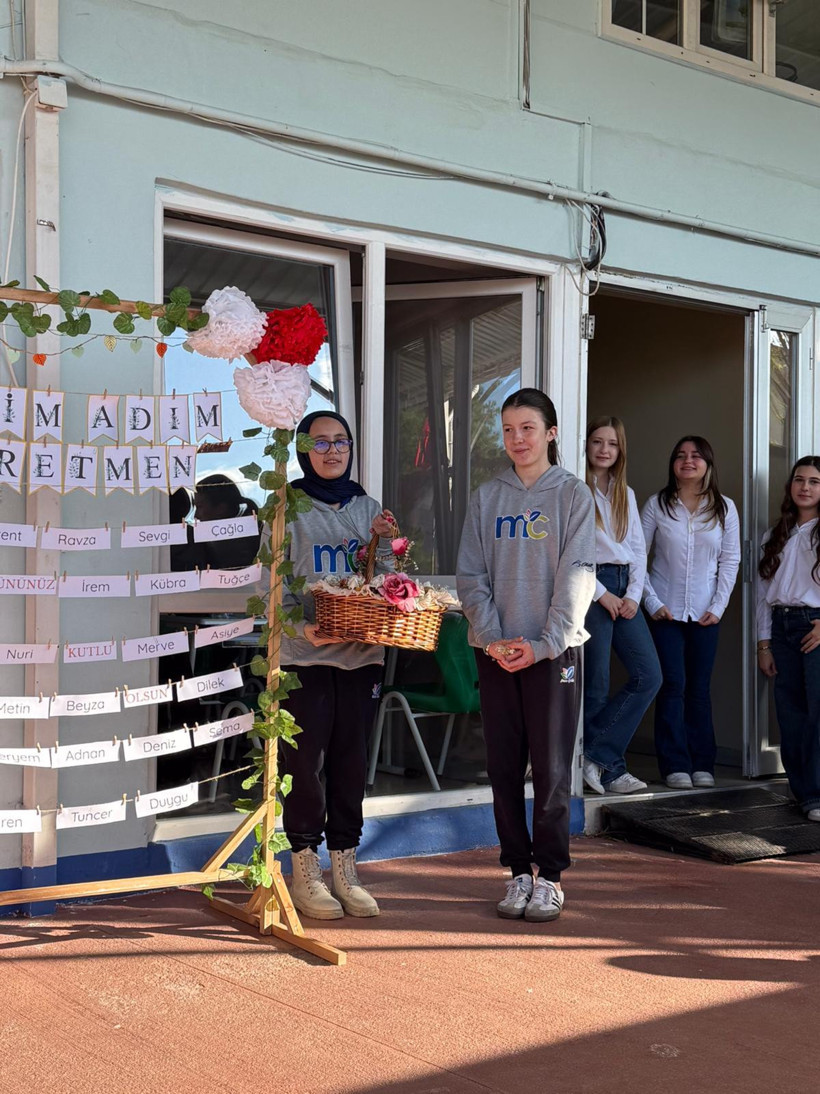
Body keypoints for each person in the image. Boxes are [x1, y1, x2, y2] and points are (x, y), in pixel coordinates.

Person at [457, 388, 595, 923]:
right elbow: (471, 576)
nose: (518, 439)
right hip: (496, 652)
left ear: (551, 434)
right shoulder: (487, 497)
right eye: (509, 429)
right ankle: (517, 872)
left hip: (553, 654)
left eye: (529, 428)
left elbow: (578, 575)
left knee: (554, 769)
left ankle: (551, 877)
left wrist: (542, 644)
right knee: (503, 766)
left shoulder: (573, 495)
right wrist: (493, 639)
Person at [279, 410, 396, 920]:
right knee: (303, 764)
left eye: (341, 442)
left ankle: (345, 866)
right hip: (306, 655)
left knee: (351, 764)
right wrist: (301, 627)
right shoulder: (286, 504)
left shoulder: (370, 507)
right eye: (320, 442)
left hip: (361, 656)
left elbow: (389, 580)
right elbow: (268, 585)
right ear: (304, 449)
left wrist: (383, 545)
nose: (332, 451)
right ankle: (305, 867)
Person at [641, 436, 740, 790]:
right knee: (672, 686)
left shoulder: (725, 508)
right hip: (665, 612)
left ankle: (702, 763)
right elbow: (639, 556)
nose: (687, 461)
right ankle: (674, 765)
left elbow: (730, 561)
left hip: (704, 615)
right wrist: (651, 604)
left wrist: (717, 607)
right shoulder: (657, 505)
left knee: (698, 689)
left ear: (708, 464)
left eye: (696, 456)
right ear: (672, 463)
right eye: (680, 455)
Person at [582, 417, 662, 795]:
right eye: (597, 442)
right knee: (595, 684)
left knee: (649, 675)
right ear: (587, 445)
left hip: (624, 585)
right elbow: (571, 555)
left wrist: (632, 595)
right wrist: (603, 594)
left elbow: (636, 552)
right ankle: (611, 771)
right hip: (589, 586)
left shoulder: (624, 493)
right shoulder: (575, 491)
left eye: (611, 444)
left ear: (620, 450)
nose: (604, 450)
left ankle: (594, 755)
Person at [757, 456, 820, 821]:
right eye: (799, 480)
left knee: (817, 711)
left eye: (814, 481)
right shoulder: (775, 534)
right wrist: (763, 644)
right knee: (790, 712)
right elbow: (763, 596)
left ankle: (815, 793)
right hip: (782, 627)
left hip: (814, 626)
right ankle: (803, 792)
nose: (805, 487)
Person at [170, 473, 261, 571]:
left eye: (200, 507)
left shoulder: (230, 549)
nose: (196, 516)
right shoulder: (254, 533)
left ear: (221, 509)